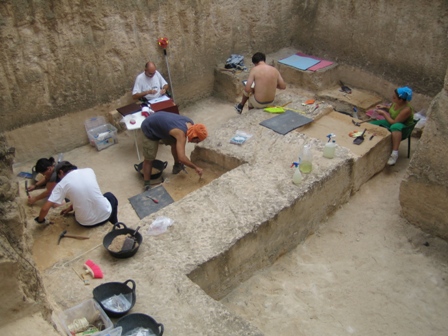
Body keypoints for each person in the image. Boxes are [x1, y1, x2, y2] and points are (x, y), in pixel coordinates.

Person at [34, 162, 118, 227]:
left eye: (59, 176)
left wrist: (40, 220)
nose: (60, 179)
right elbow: (86, 193)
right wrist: (71, 207)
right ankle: (115, 224)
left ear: (61, 172)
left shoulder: (61, 184)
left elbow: (45, 209)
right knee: (109, 195)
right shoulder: (89, 170)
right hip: (106, 215)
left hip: (86, 224)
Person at [140, 111, 208, 191]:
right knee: (149, 159)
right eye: (197, 141)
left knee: (175, 143)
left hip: (160, 123)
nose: (196, 143)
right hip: (149, 127)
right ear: (194, 136)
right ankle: (147, 184)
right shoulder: (180, 133)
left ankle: (177, 166)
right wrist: (195, 167)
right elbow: (182, 157)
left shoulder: (190, 124)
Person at [370, 86, 414, 166]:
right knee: (370, 125)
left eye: (394, 97)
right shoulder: (396, 103)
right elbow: (391, 109)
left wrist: (383, 113)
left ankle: (394, 153)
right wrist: (384, 107)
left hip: (403, 129)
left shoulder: (406, 110)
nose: (392, 98)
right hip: (392, 122)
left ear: (401, 100)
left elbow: (394, 122)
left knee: (395, 127)